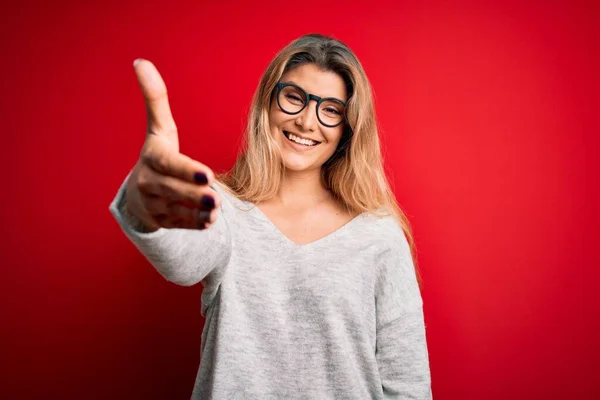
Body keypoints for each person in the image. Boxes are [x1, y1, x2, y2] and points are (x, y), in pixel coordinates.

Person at [109, 33, 432, 399]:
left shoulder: (379, 236)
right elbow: (181, 260)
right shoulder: (225, 208)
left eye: (330, 110)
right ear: (269, 101)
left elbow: (407, 383)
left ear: (347, 129)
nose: (308, 122)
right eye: (294, 98)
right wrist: (143, 203)